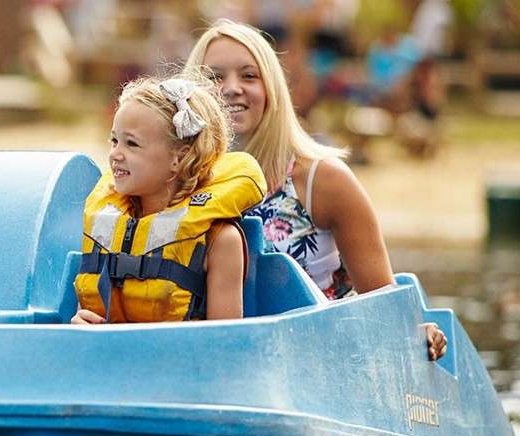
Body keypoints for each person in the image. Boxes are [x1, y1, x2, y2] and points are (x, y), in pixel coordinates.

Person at [185, 19, 447, 360]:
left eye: (249, 76)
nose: (232, 88)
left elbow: (383, 304)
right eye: (215, 77)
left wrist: (416, 333)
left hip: (317, 363)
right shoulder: (175, 185)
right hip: (212, 361)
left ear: (272, 89)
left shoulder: (322, 180)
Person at [71, 70, 267, 324]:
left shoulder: (221, 240)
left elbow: (225, 341)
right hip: (106, 350)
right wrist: (80, 325)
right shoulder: (105, 227)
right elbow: (87, 310)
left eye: (132, 144)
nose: (115, 154)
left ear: (179, 158)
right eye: (114, 140)